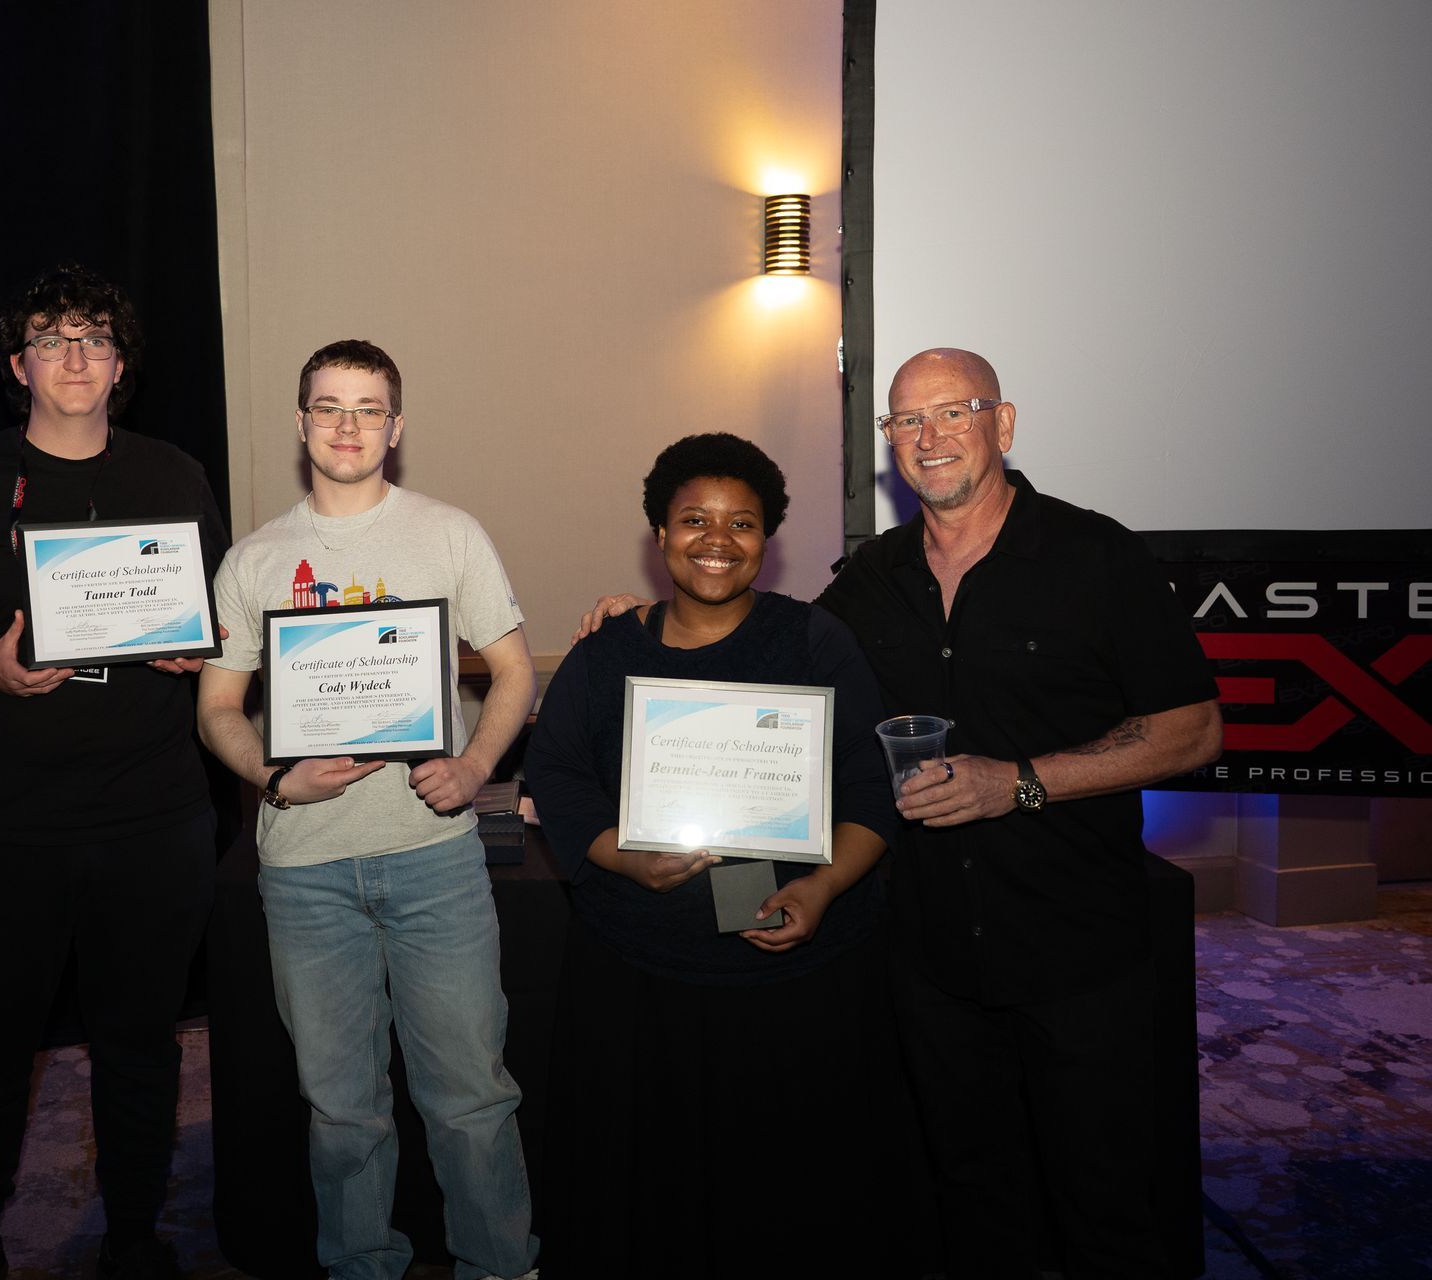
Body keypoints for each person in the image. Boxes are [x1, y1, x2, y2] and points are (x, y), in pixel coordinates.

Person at [813, 348, 1223, 1278]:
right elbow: (779, 666)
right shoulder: (869, 580)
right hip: (932, 956)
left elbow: (1194, 729)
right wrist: (651, 620)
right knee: (973, 1200)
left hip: (1077, 950)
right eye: (906, 422)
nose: (929, 437)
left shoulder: (1095, 555)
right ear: (889, 445)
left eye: (953, 412)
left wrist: (1019, 782)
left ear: (1003, 424)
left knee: (1105, 1204)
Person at [196, 339, 540, 1280]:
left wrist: (473, 767)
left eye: (368, 408)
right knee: (343, 1111)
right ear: (300, 421)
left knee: (471, 1100)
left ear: (398, 426)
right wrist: (275, 778)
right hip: (305, 872)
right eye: (328, 406)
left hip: (434, 857)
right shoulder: (255, 559)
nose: (347, 425)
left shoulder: (449, 534)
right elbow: (217, 708)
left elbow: (512, 671)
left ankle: (501, 1269)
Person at [0, 265, 228, 1280]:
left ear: (122, 362)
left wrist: (202, 644)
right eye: (52, 339)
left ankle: (135, 1237)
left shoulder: (174, 473)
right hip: (2, 826)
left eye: (95, 336)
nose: (77, 356)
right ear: (19, 366)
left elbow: (211, 612)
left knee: (140, 1044)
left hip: (153, 814)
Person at [524, 433, 896, 1278]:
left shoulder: (816, 642)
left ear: (768, 540)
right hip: (638, 973)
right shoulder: (608, 652)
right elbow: (558, 773)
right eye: (694, 519)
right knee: (649, 1186)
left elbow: (871, 790)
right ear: (659, 534)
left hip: (790, 974)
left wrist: (824, 887)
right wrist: (622, 858)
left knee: (782, 1184)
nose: (716, 540)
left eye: (743, 523)